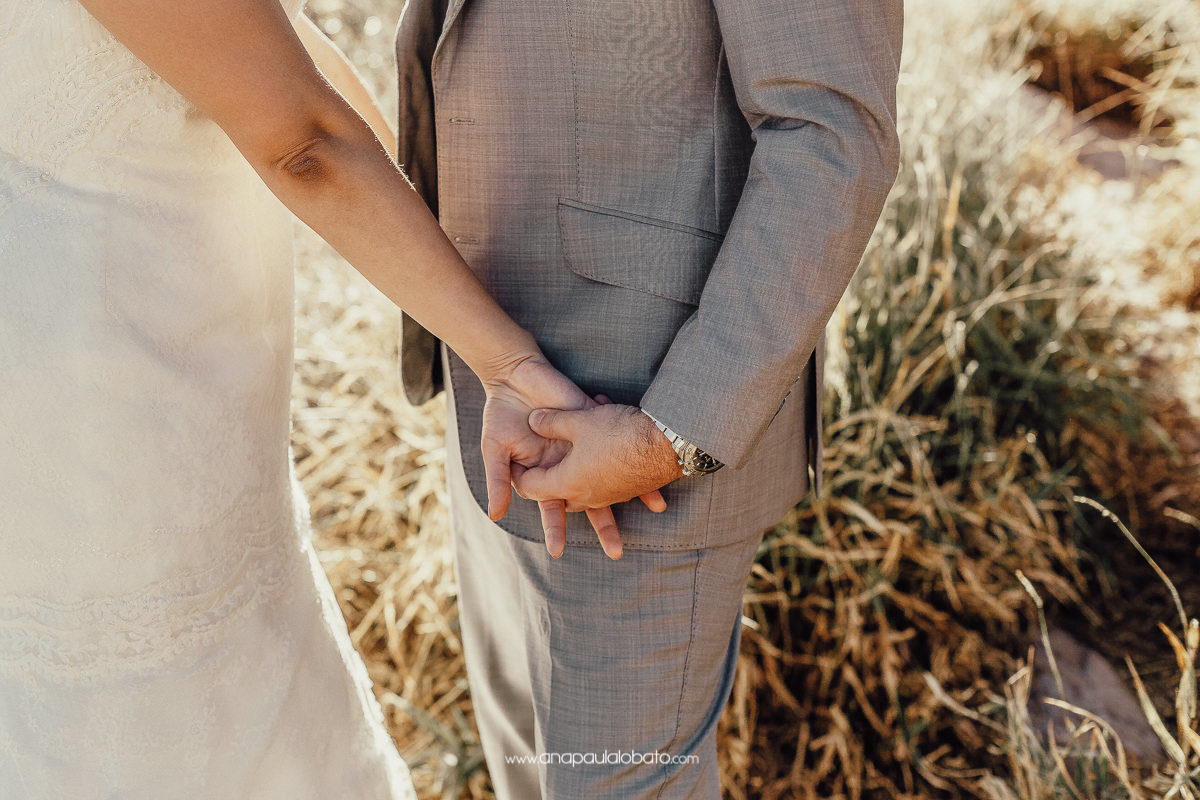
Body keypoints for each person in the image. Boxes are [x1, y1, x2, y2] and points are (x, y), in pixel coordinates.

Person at [0, 0, 637, 796]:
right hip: (109, 405)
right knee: (155, 698)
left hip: (115, 369)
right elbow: (304, 138)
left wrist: (451, 271)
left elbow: (288, 58)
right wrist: (505, 359)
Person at [395, 0, 904, 797]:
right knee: (528, 772)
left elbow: (832, 133)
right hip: (492, 389)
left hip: (644, 421)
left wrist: (674, 432)